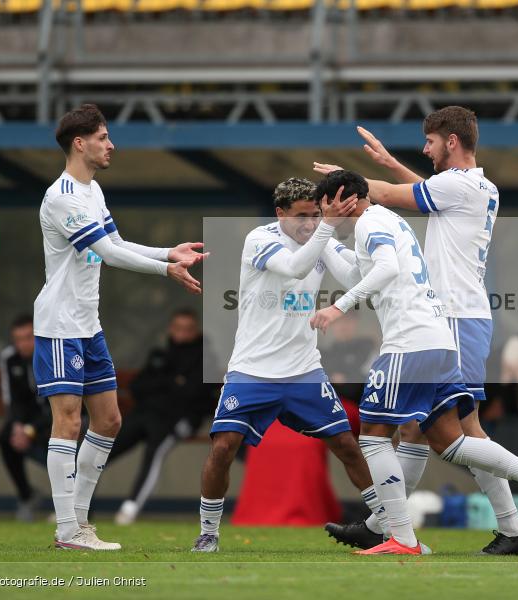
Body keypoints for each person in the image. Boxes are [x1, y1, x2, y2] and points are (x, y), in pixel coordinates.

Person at [311, 170, 518, 556]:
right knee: (450, 441)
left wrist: (338, 306)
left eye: (325, 207)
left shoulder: (370, 222)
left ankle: (400, 538)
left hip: (409, 344)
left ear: (342, 199)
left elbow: (385, 270)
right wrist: (323, 236)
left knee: (372, 435)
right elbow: (358, 272)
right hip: (437, 340)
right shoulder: (387, 221)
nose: (325, 216)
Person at [34, 104, 205, 551]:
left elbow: (117, 244)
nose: (111, 145)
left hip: (88, 325)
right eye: (104, 137)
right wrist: (163, 271)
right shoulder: (63, 196)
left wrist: (169, 252)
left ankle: (79, 523)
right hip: (59, 325)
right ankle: (67, 530)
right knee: (67, 423)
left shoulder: (93, 192)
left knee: (108, 421)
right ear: (80, 142)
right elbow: (108, 255)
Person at [191, 177, 388, 553]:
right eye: (301, 216)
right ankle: (208, 531)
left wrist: (367, 240)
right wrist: (328, 226)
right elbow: (296, 267)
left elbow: (352, 277)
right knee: (222, 448)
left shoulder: (321, 235)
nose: (310, 223)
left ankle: (386, 524)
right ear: (280, 213)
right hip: (252, 370)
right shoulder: (260, 239)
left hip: (303, 372)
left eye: (315, 215)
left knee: (347, 444)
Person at [110, 308, 218, 526]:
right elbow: (137, 386)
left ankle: (129, 509)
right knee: (104, 448)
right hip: (145, 415)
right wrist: (171, 382)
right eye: (178, 328)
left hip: (179, 420)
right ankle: (77, 506)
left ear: (196, 331)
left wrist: (164, 384)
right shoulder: (160, 354)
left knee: (154, 452)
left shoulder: (205, 358)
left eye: (188, 330)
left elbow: (193, 392)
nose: (182, 334)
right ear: (171, 329)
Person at [0, 315, 52, 522]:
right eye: (18, 339)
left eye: (28, 337)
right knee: (5, 437)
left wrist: (30, 429)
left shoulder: (51, 353)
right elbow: (13, 400)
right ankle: (26, 495)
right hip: (29, 419)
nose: (23, 344)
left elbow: (58, 407)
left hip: (56, 418)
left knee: (63, 440)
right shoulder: (9, 358)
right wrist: (19, 426)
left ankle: (71, 505)